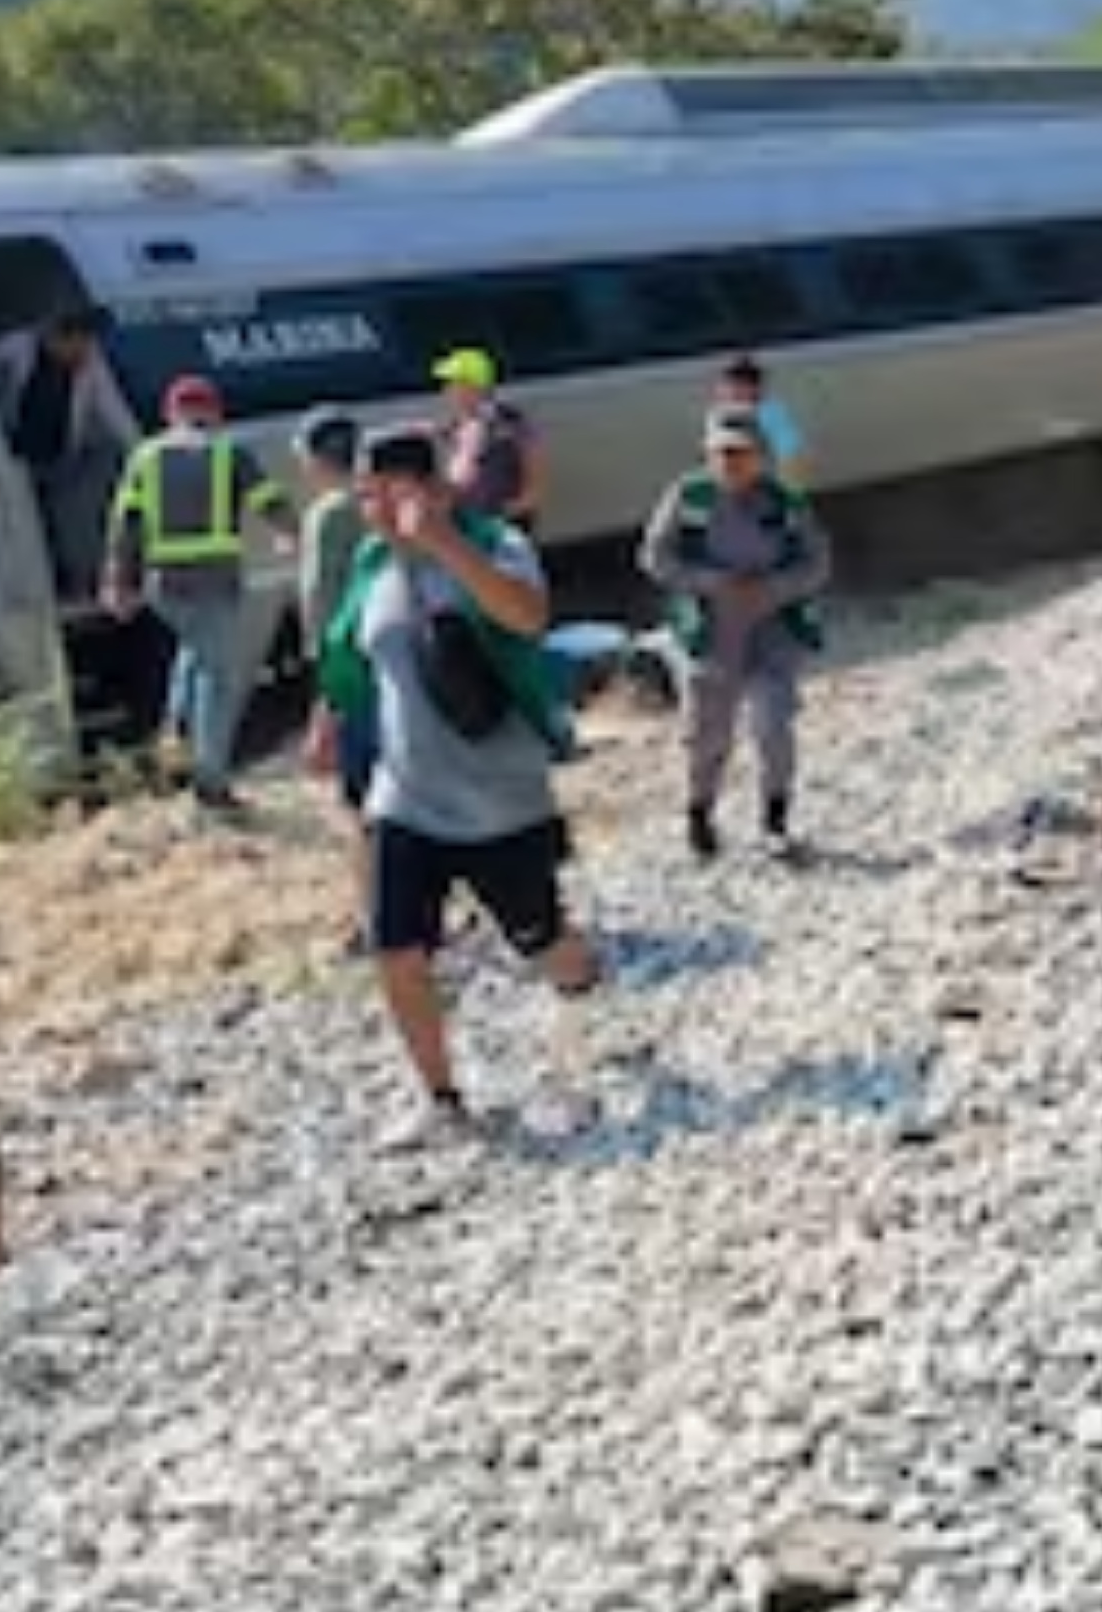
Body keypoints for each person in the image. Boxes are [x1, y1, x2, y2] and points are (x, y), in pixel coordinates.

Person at [314, 428, 597, 1134]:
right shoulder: (371, 561)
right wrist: (327, 714)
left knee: (541, 941)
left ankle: (585, 987)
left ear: (433, 489)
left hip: (501, 796)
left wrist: (444, 545)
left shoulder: (494, 543)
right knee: (396, 948)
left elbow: (528, 617)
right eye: (364, 496)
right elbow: (356, 645)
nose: (374, 511)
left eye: (387, 494)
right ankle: (442, 1100)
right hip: (404, 796)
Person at [638, 406, 831, 862]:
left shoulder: (785, 501)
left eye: (741, 453)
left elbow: (817, 562)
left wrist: (776, 588)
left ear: (761, 455)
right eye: (722, 453)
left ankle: (775, 820)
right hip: (711, 628)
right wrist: (711, 582)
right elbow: (654, 558)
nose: (731, 462)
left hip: (773, 626)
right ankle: (700, 815)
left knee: (773, 725)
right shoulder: (687, 497)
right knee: (707, 732)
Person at [99, 373, 294, 811]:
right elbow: (271, 502)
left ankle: (172, 743)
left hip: (164, 585)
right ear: (215, 412)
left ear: (170, 414)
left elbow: (125, 524)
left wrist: (117, 581)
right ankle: (211, 780)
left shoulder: (144, 457)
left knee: (190, 659)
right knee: (219, 679)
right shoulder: (230, 452)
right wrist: (293, 534)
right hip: (216, 582)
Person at [292, 410, 377, 939]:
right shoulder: (387, 501)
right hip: (404, 664)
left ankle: (378, 917)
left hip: (357, 675)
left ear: (317, 459)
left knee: (362, 803)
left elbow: (326, 616)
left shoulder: (329, 516)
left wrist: (324, 703)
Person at [0, 299, 141, 604]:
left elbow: (117, 416)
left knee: (74, 524)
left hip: (60, 463)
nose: (86, 349)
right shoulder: (15, 350)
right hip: (13, 466)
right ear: (55, 336)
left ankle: (80, 583)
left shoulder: (91, 365)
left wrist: (146, 455)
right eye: (80, 340)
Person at [434, 347, 546, 533]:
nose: (446, 390)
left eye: (453, 383)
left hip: (500, 524)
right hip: (469, 521)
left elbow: (533, 478)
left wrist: (507, 511)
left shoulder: (508, 425)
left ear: (475, 386)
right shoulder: (461, 422)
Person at [713, 355, 811, 492]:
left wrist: (790, 491)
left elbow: (790, 458)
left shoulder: (773, 413)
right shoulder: (717, 414)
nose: (735, 390)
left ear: (757, 388)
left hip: (766, 485)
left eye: (746, 384)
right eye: (730, 383)